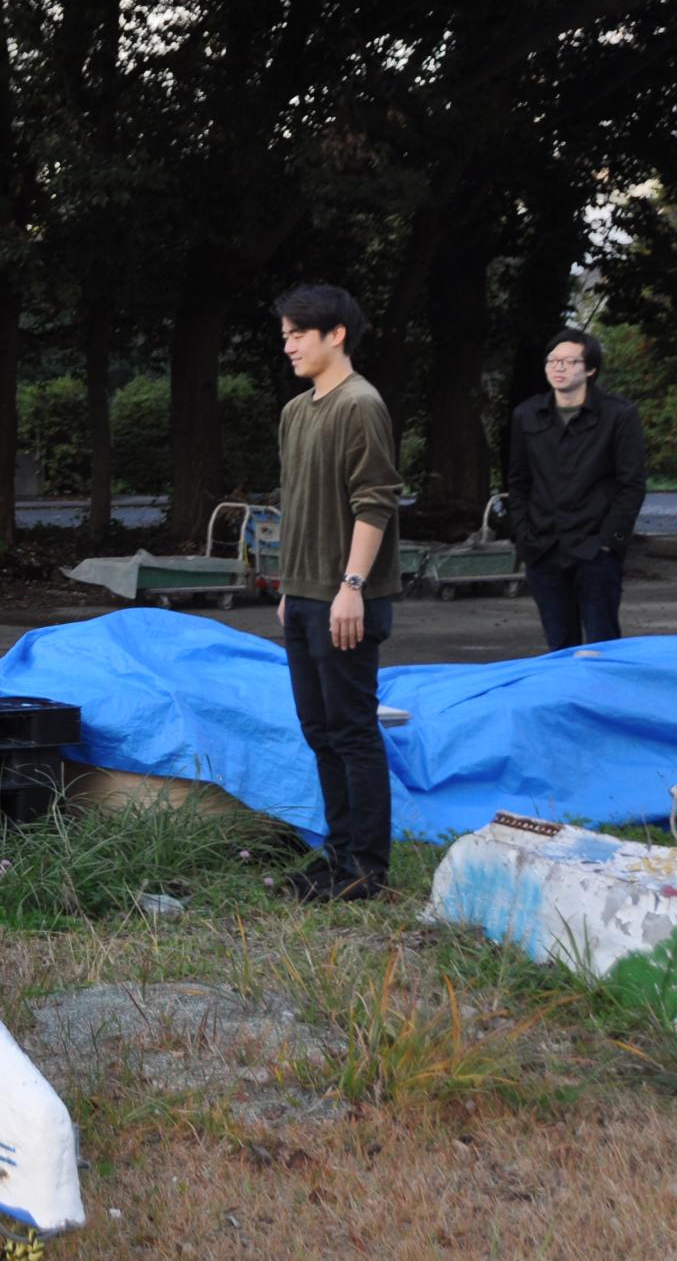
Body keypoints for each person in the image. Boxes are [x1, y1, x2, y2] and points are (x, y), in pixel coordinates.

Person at [273, 284, 404, 904]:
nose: (289, 343)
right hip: (303, 596)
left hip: (347, 598)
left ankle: (366, 868)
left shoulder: (361, 404)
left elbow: (374, 500)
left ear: (336, 335)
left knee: (352, 731)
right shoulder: (297, 412)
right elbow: (298, 505)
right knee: (319, 729)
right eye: (286, 334)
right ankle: (337, 855)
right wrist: (289, 585)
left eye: (300, 332)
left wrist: (351, 587)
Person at [508, 327, 646, 649]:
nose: (558, 368)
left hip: (595, 550)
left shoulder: (619, 415)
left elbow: (632, 484)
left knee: (603, 647)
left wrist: (609, 542)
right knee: (559, 647)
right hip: (543, 547)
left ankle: (604, 700)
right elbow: (517, 481)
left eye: (569, 362)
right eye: (552, 361)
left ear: (590, 369)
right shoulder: (527, 415)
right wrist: (524, 536)